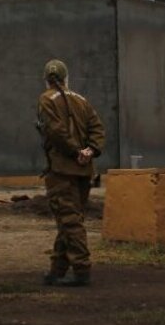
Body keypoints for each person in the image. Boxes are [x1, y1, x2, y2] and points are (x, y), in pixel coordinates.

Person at [35, 58, 106, 287]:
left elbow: (56, 131)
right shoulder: (82, 100)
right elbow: (97, 127)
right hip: (85, 171)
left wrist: (75, 151)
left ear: (46, 80)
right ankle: (57, 269)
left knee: (69, 220)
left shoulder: (46, 99)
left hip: (61, 170)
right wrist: (90, 151)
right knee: (71, 219)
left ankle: (81, 270)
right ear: (67, 78)